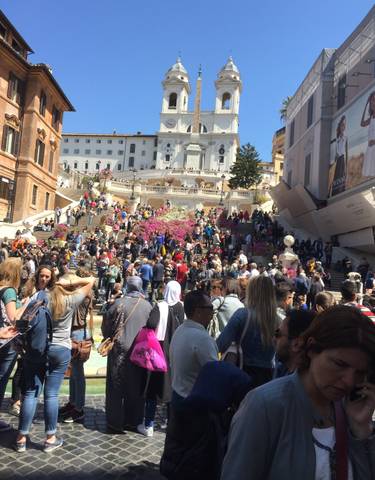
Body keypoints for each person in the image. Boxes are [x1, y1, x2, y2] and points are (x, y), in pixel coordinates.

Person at [221, 305, 375, 480]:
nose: (349, 380)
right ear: (311, 349)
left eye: (360, 372)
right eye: (340, 364)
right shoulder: (265, 405)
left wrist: (362, 431)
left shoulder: (352, 410)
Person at [15, 275, 95, 452]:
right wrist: (68, 282)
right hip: (60, 349)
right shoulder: (70, 298)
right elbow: (91, 280)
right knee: (51, 395)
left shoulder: (40, 296)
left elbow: (20, 319)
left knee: (30, 393)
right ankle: (50, 438)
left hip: (38, 348)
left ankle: (21, 438)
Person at [102, 276, 152, 433]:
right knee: (136, 385)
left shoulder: (118, 303)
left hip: (119, 350)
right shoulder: (147, 305)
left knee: (115, 386)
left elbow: (106, 326)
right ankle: (133, 420)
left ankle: (115, 422)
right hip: (139, 351)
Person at [137, 281, 184, 437]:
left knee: (153, 387)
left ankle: (149, 424)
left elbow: (151, 323)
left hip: (159, 349)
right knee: (173, 386)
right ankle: (171, 423)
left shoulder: (160, 306)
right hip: (176, 349)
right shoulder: (182, 307)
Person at [217, 276, 278, 388]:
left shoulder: (243, 314)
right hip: (269, 376)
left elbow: (221, 344)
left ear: (251, 292)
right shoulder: (279, 320)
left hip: (243, 371)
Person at [169, 290, 218, 407]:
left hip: (178, 395)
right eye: (210, 308)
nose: (213, 312)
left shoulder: (180, 329)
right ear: (198, 311)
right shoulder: (202, 339)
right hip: (193, 402)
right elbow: (215, 375)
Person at [59, 268, 94, 423]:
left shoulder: (83, 294)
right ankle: (73, 403)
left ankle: (79, 409)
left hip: (78, 334)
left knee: (78, 374)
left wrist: (72, 280)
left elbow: (92, 279)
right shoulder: (75, 294)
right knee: (74, 372)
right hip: (74, 333)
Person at [0, 258, 30, 432]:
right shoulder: (9, 291)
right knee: (2, 379)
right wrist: (26, 304)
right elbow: (14, 318)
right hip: (7, 341)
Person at [273, 309, 315, 378]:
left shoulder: (297, 386)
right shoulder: (281, 369)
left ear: (297, 344)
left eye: (278, 334)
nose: (274, 339)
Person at [361, 90, 375, 178]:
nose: (374, 102)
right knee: (368, 176)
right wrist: (366, 104)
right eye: (372, 100)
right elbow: (362, 123)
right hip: (369, 149)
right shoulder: (371, 118)